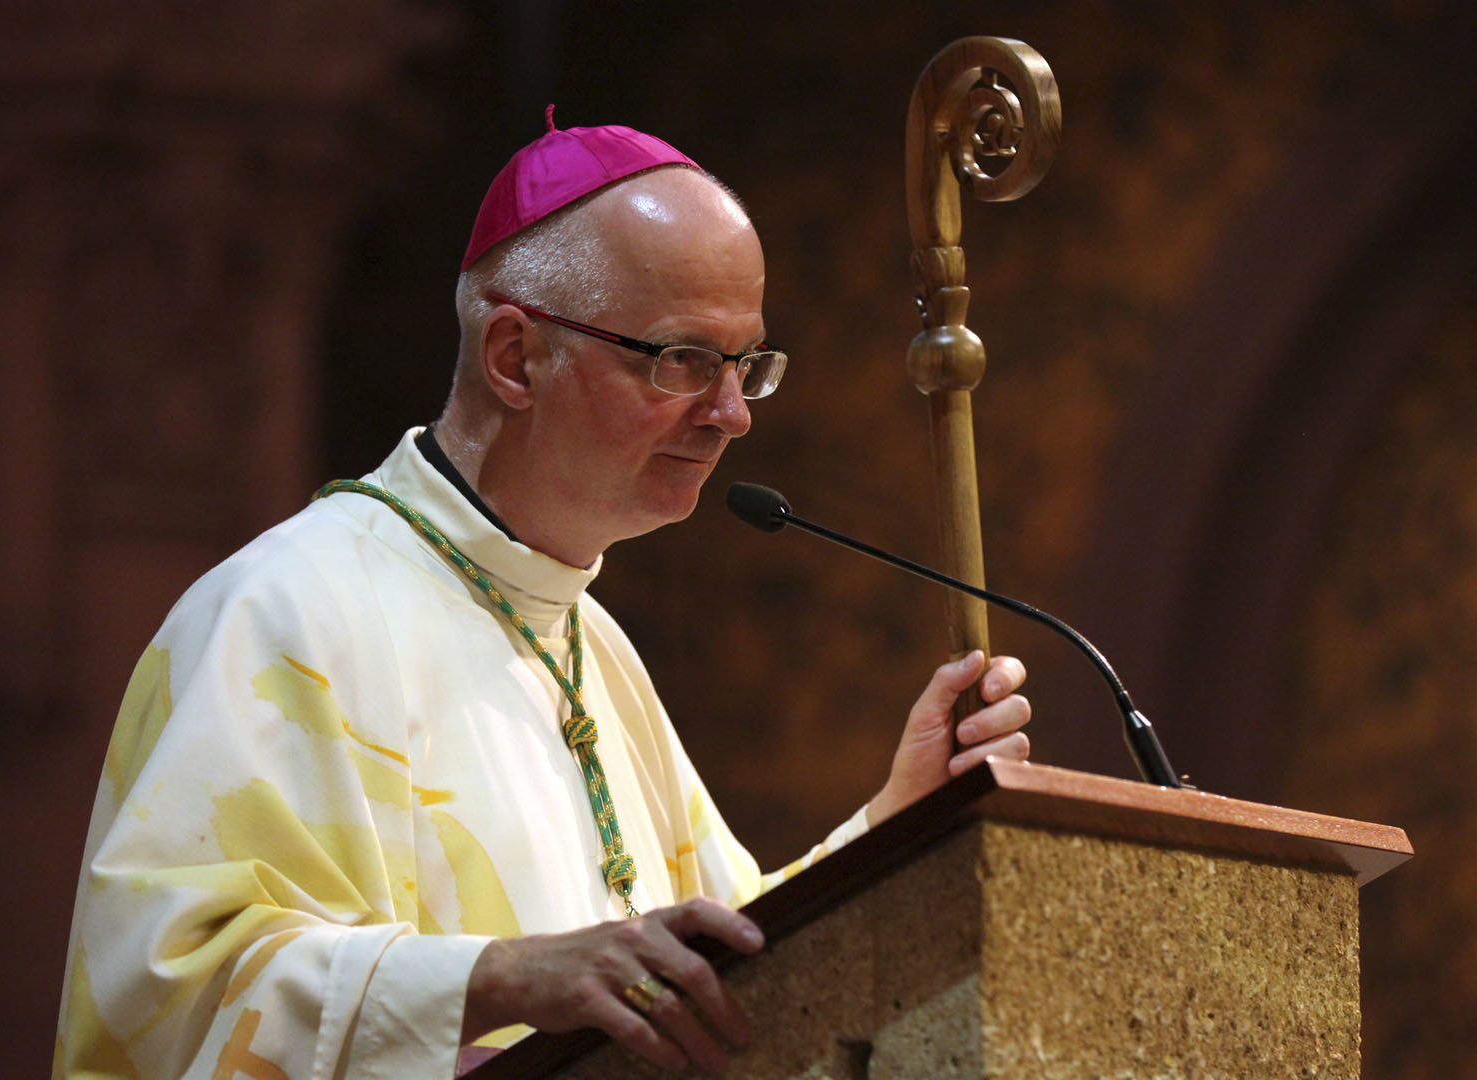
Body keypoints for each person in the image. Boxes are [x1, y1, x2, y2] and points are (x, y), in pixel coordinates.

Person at [54, 113, 1031, 1079]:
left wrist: (896, 820)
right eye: (684, 359)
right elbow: (169, 992)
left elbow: (727, 978)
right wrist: (504, 979)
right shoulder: (284, 611)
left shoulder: (590, 647)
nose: (732, 415)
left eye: (746, 366)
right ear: (516, 357)